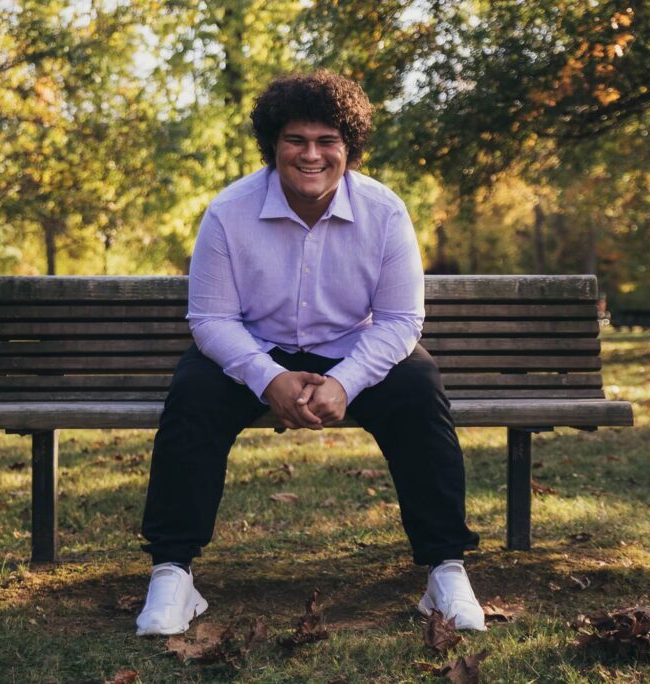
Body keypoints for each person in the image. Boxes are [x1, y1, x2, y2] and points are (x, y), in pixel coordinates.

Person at [136, 71, 484, 636]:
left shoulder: (385, 211)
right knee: (194, 392)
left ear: (349, 148)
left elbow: (400, 321)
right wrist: (266, 377)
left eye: (328, 141)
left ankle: (445, 569)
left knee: (419, 390)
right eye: (296, 139)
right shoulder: (229, 211)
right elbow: (212, 320)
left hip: (354, 351)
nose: (311, 154)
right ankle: (173, 574)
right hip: (257, 349)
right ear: (273, 145)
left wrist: (345, 383)